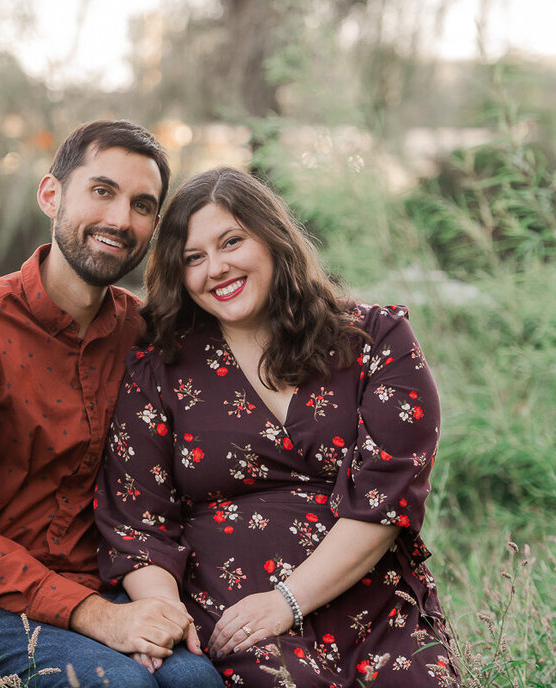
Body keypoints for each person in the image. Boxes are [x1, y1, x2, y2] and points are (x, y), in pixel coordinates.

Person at [95, 167, 458, 687]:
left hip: (374, 604)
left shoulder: (376, 339)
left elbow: (389, 495)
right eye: (193, 258)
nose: (215, 268)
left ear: (272, 237)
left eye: (231, 241)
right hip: (235, 619)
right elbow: (137, 523)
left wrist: (288, 600)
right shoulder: (160, 368)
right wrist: (162, 614)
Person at [0, 120, 223, 688]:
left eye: (142, 205)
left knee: (196, 682)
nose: (120, 219)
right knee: (122, 686)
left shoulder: (142, 334)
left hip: (97, 588)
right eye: (102, 191)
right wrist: (104, 621)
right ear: (52, 194)